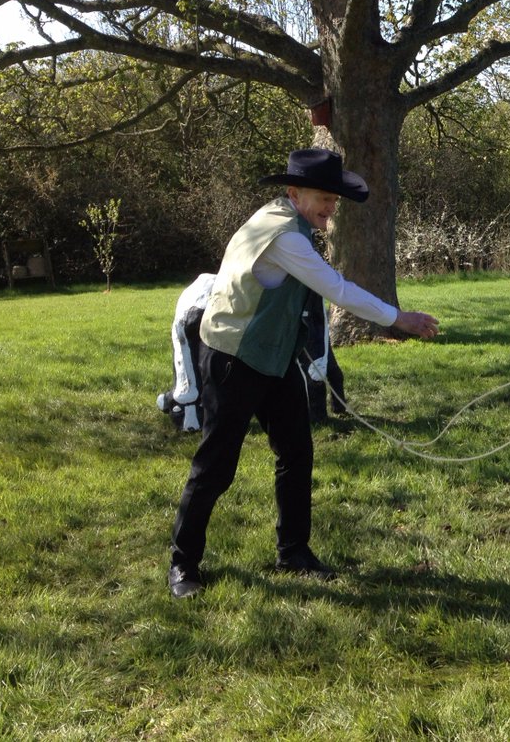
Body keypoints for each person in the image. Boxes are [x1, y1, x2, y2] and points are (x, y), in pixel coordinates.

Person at [168, 148, 439, 599]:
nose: (331, 208)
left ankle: (293, 552)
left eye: (334, 200)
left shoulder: (283, 217)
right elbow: (337, 289)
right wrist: (398, 318)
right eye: (323, 199)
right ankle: (183, 565)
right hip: (233, 358)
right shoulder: (286, 237)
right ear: (293, 193)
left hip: (273, 358)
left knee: (296, 453)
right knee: (215, 468)